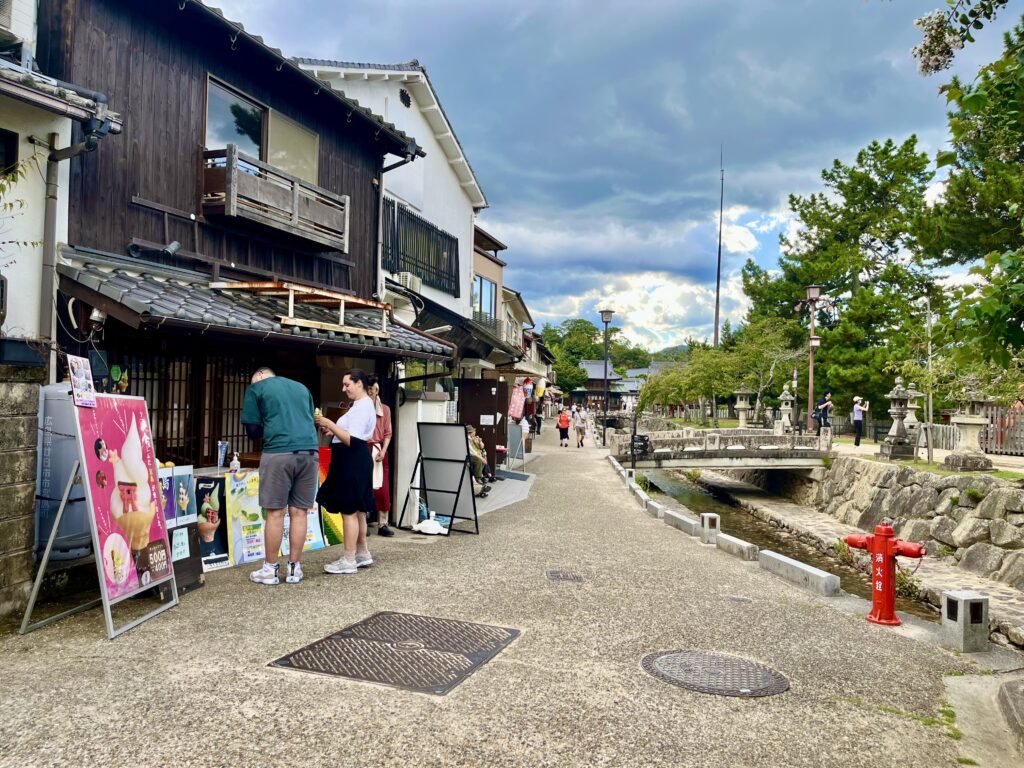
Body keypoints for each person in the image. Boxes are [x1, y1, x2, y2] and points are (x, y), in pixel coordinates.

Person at [241, 366, 318, 585]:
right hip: (310, 452)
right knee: (299, 512)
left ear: (261, 376)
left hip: (279, 452)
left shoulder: (257, 388)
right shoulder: (302, 388)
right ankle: (295, 569)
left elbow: (253, 431)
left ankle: (270, 570)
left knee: (275, 513)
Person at [315, 369, 377, 575]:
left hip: (351, 459)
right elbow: (350, 435)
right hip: (353, 459)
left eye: (347, 384)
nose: (344, 389)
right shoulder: (362, 405)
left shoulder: (362, 406)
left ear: (359, 384)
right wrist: (332, 431)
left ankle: (349, 559)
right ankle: (361, 552)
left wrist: (330, 423)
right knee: (357, 510)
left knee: (349, 510)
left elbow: (354, 439)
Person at [367, 376, 394, 537]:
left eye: (372, 389)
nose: (369, 391)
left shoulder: (385, 409)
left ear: (377, 391)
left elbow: (388, 433)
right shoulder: (358, 407)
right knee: (364, 486)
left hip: (378, 449)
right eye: (367, 389)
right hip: (363, 448)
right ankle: (362, 523)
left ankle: (383, 523)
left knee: (382, 488)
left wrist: (383, 451)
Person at [466, 426, 494, 495]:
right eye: (474, 431)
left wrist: (480, 440)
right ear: (470, 432)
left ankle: (480, 477)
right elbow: (472, 452)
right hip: (469, 456)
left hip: (474, 454)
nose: (475, 432)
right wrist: (481, 458)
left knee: (481, 459)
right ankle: (479, 479)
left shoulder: (474, 438)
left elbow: (482, 446)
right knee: (478, 460)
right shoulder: (468, 439)